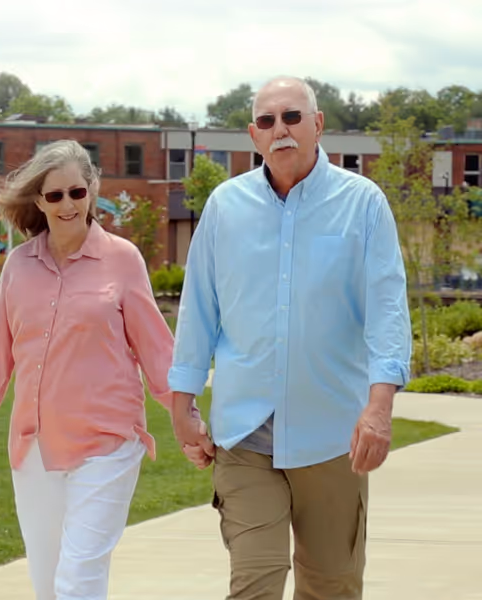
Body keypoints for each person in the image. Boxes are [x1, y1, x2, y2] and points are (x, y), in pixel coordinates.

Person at [169, 76, 412, 600]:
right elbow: (198, 311)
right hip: (244, 434)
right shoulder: (223, 207)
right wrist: (182, 403)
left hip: (331, 436)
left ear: (318, 124)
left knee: (332, 586)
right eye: (267, 121)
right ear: (253, 136)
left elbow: (387, 310)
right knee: (255, 580)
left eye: (292, 117)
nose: (280, 130)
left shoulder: (363, 204)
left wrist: (379, 407)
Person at [0, 140, 177, 600]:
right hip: (34, 451)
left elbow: (157, 352)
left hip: (108, 444)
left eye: (77, 191)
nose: (68, 204)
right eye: (55, 196)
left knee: (79, 577)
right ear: (39, 201)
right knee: (48, 582)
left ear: (92, 191)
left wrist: (187, 422)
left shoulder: (123, 259)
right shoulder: (17, 267)